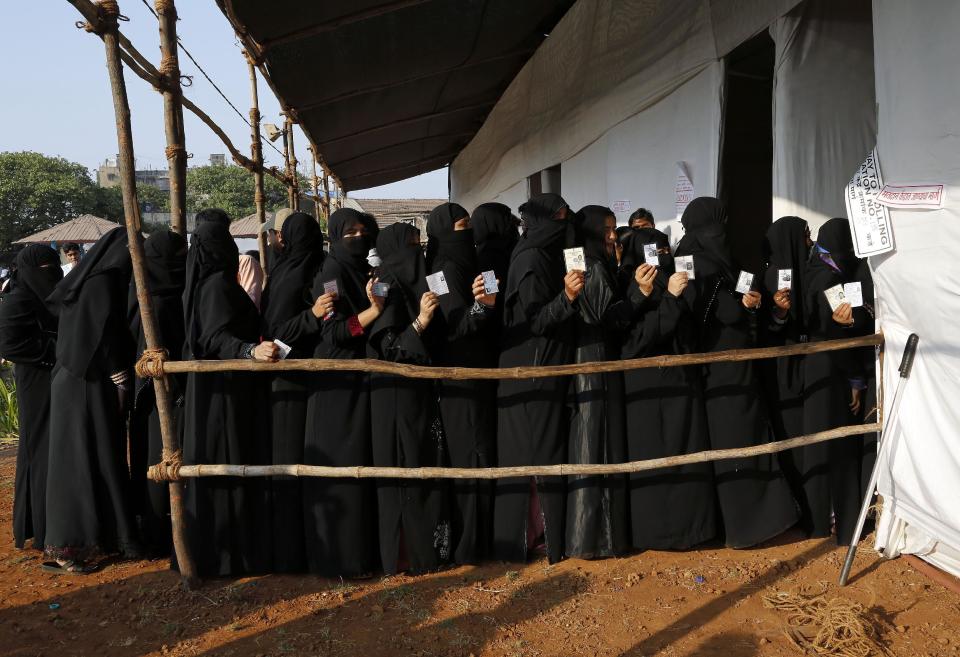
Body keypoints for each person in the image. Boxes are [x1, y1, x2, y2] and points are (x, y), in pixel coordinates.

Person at [674, 197, 798, 548]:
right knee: (732, 443)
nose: (722, 231)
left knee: (751, 436)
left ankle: (764, 519)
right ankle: (742, 526)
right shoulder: (689, 263)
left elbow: (746, 301)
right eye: (718, 222)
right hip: (716, 373)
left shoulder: (730, 265)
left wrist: (751, 306)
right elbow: (689, 318)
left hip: (741, 368)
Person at [180, 209, 278, 576]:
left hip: (208, 390)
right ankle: (230, 554)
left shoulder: (198, 284)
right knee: (228, 460)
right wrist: (248, 350)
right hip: (224, 390)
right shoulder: (218, 286)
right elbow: (216, 337)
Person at [43, 229, 140, 572]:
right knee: (85, 460)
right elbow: (106, 333)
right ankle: (74, 544)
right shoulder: (103, 282)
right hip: (87, 381)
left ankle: (91, 538)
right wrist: (120, 374)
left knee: (86, 456)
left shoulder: (88, 280)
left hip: (75, 378)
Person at [494, 193, 583, 564]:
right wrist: (566, 296)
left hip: (540, 369)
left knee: (542, 449)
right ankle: (529, 536)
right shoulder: (531, 259)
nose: (566, 223)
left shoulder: (541, 253)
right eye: (559, 218)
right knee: (534, 453)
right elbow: (535, 320)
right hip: (531, 372)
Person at [620, 228, 718, 550]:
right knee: (655, 464)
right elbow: (634, 343)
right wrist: (668, 299)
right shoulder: (629, 287)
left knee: (687, 457)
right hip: (648, 390)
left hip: (682, 382)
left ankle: (694, 530)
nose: (660, 258)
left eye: (665, 251)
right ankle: (658, 534)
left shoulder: (677, 279)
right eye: (653, 252)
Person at [565, 206, 648, 559]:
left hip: (590, 360)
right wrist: (639, 294)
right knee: (597, 444)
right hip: (594, 363)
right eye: (608, 230)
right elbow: (607, 318)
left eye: (615, 230)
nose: (614, 237)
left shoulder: (586, 261)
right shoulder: (593, 265)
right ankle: (598, 539)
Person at [367, 222, 450, 574]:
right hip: (395, 394)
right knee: (405, 465)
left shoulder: (421, 279)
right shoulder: (385, 281)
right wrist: (420, 322)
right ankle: (407, 553)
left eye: (421, 244)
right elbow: (385, 345)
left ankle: (428, 549)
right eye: (411, 246)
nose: (419, 252)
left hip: (419, 391)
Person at [303, 208, 380, 577]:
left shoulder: (363, 270)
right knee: (341, 473)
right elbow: (334, 330)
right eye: (350, 231)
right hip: (335, 383)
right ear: (335, 235)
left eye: (363, 230)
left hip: (355, 381)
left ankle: (360, 556)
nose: (358, 237)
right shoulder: (332, 274)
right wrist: (373, 312)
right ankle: (339, 560)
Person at [425, 203, 498, 564]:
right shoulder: (440, 271)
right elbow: (453, 327)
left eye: (470, 225)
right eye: (460, 226)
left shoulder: (473, 263)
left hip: (481, 372)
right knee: (469, 454)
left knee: (482, 450)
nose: (467, 232)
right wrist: (482, 308)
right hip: (458, 377)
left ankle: (483, 538)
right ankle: (468, 544)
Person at [259, 212, 330, 573]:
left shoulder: (291, 270)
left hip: (292, 377)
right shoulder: (302, 270)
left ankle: (295, 548)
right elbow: (278, 329)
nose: (277, 241)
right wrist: (312, 317)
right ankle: (292, 549)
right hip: (294, 374)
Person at [801, 217, 875, 545]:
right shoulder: (829, 277)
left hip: (816, 369)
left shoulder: (813, 268)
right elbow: (842, 326)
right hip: (833, 371)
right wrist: (856, 379)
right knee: (839, 449)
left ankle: (821, 522)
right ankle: (842, 525)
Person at [127, 230, 187, 556]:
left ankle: (159, 529)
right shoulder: (161, 302)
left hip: (157, 397)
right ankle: (159, 532)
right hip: (163, 398)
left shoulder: (150, 297)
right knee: (161, 460)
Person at [0, 245, 62, 550]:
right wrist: (53, 354)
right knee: (39, 450)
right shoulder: (17, 300)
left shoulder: (46, 297)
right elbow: (9, 343)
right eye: (46, 269)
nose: (54, 273)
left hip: (52, 381)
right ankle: (42, 527)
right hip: (35, 382)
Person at [758, 217, 815, 530]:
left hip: (808, 367)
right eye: (805, 235)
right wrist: (779, 313)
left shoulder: (810, 273)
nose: (810, 240)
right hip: (782, 373)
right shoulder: (770, 277)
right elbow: (763, 331)